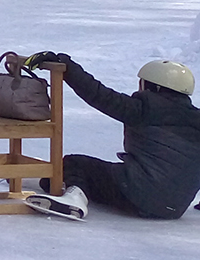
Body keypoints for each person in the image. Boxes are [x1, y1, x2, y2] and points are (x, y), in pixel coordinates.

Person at [23, 56, 200, 221]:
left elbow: (99, 94)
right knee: (89, 177)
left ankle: (74, 198)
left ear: (153, 87)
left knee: (74, 164)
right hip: (175, 207)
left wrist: (67, 67)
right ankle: (53, 179)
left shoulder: (142, 109)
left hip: (138, 194)